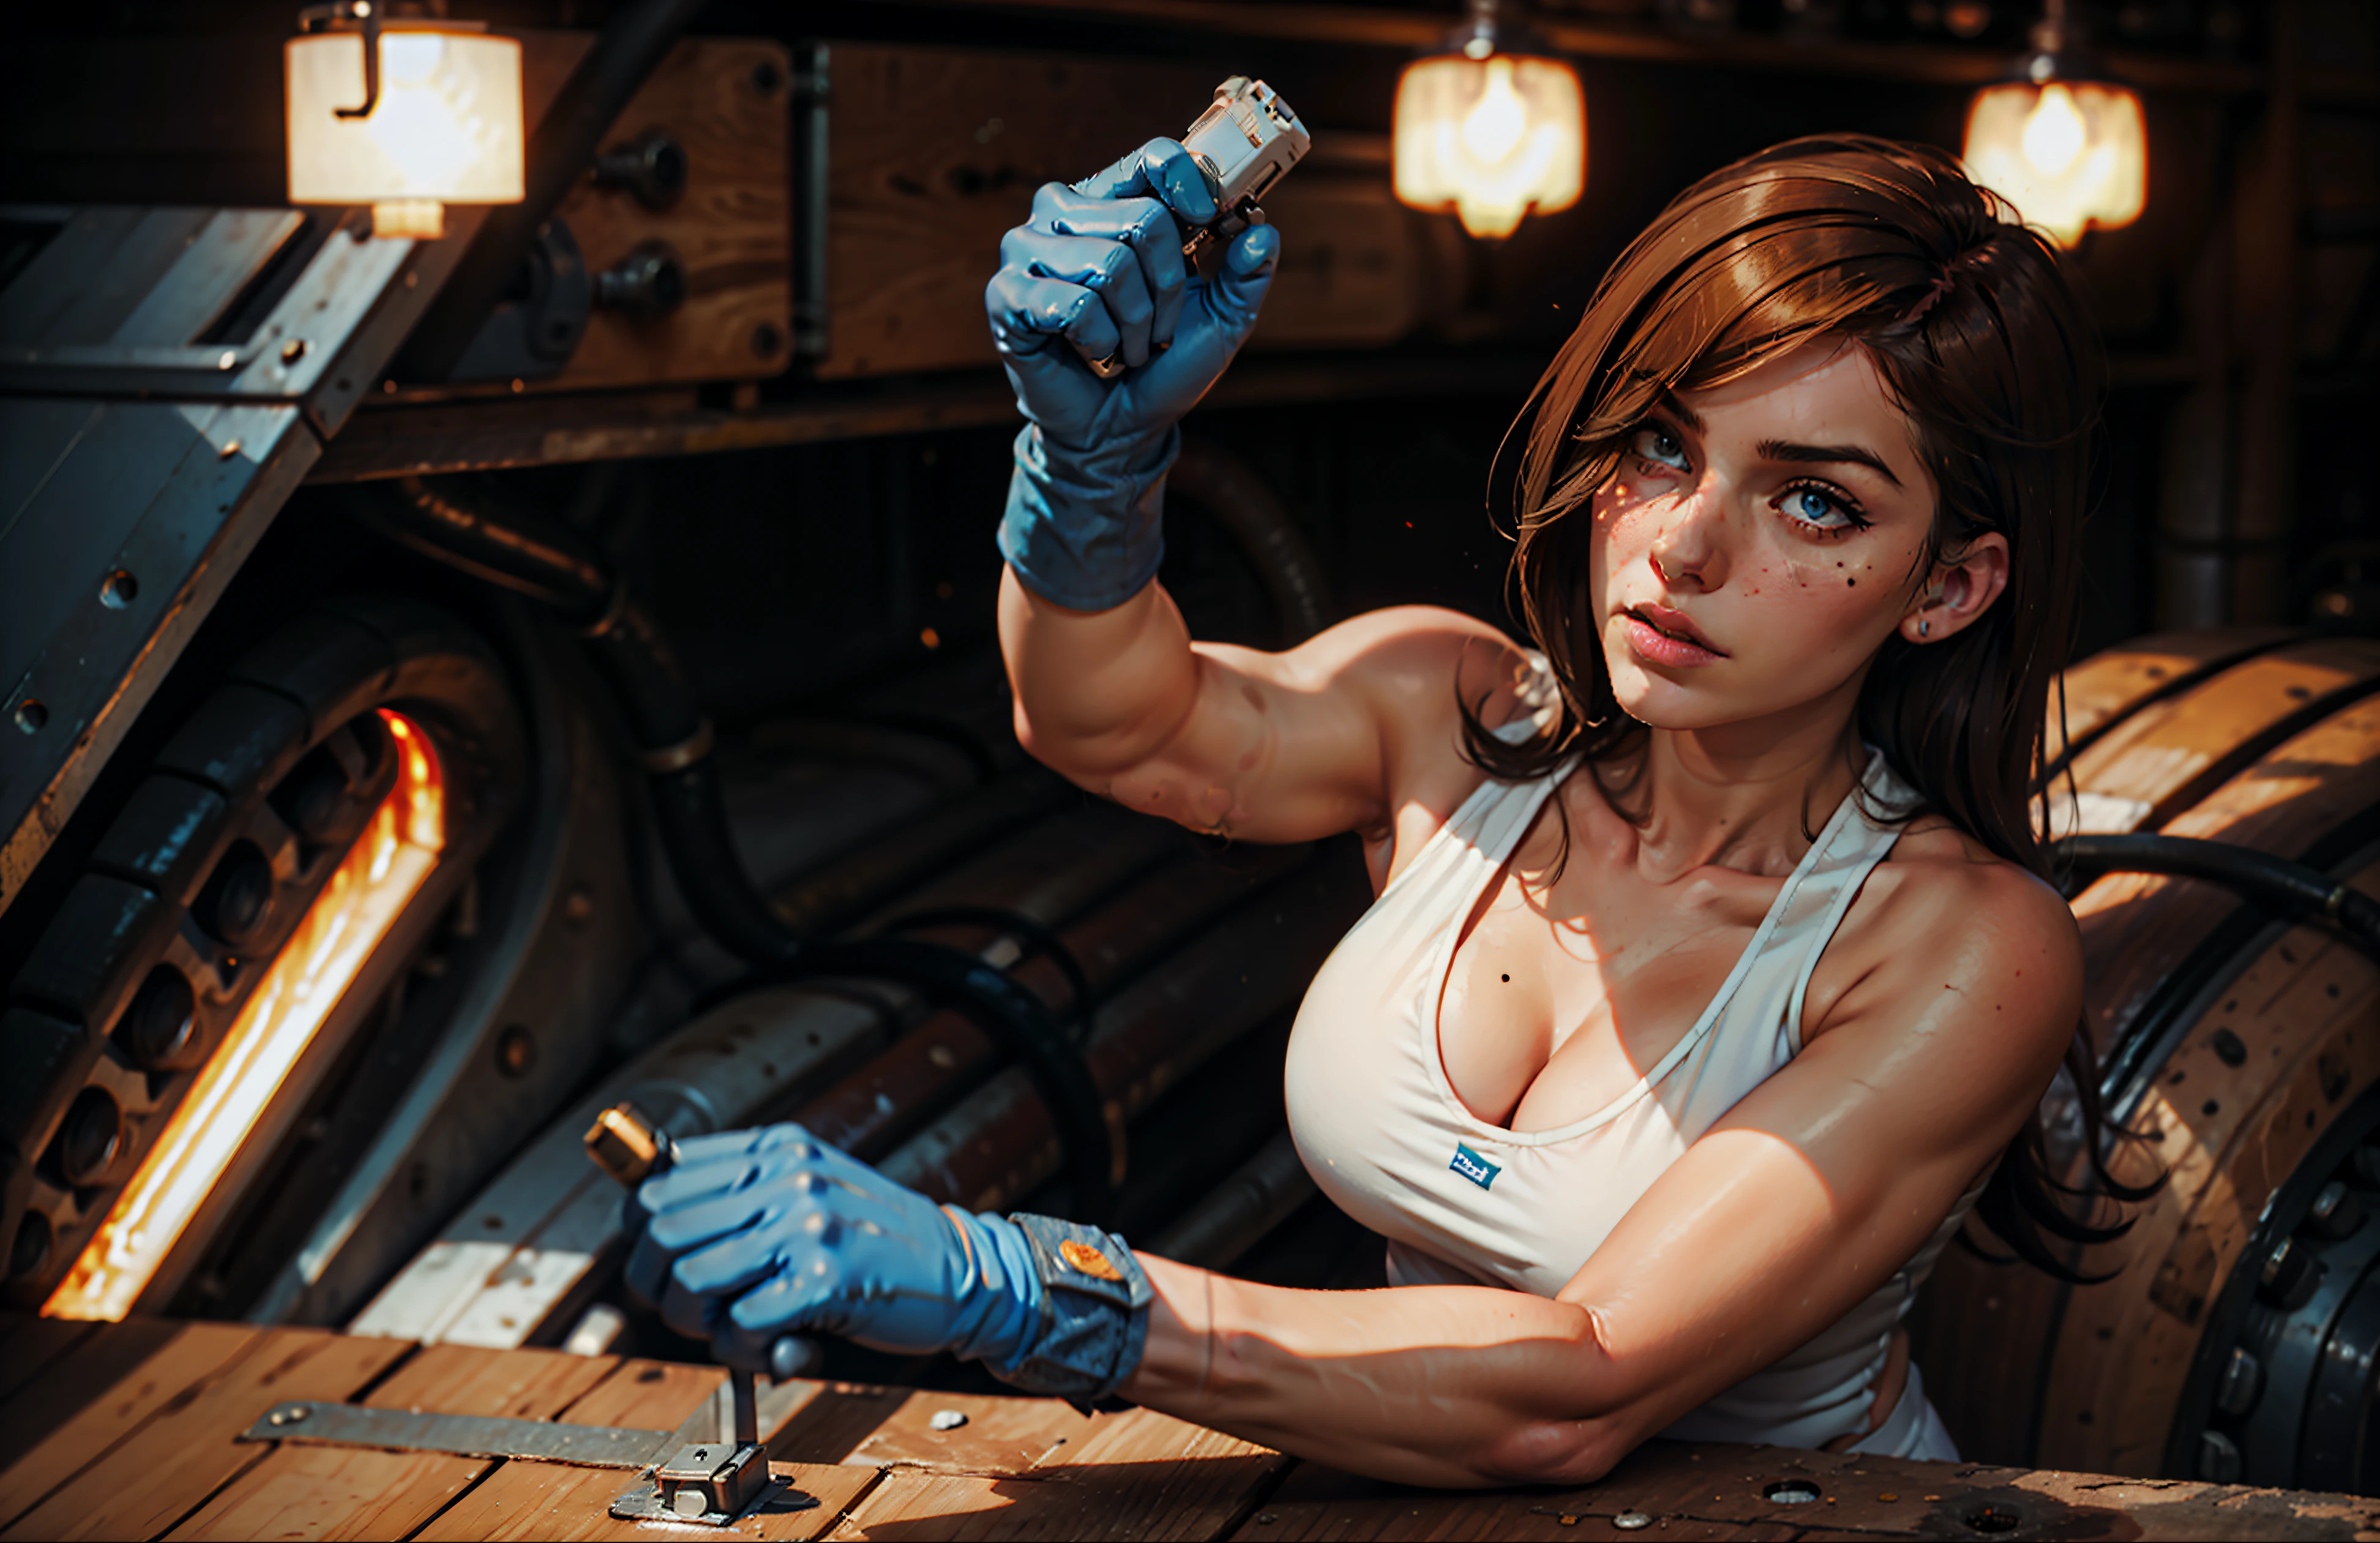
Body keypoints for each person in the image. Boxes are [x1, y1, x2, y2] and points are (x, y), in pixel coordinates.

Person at [622, 132, 2144, 1485]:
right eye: (1662, 445)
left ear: (1947, 586)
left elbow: (1578, 1384)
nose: (1683, 545)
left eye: (1814, 501)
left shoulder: (1962, 946)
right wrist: (1090, 463)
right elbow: (1107, 719)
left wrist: (1042, 1291)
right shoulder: (1462, 715)